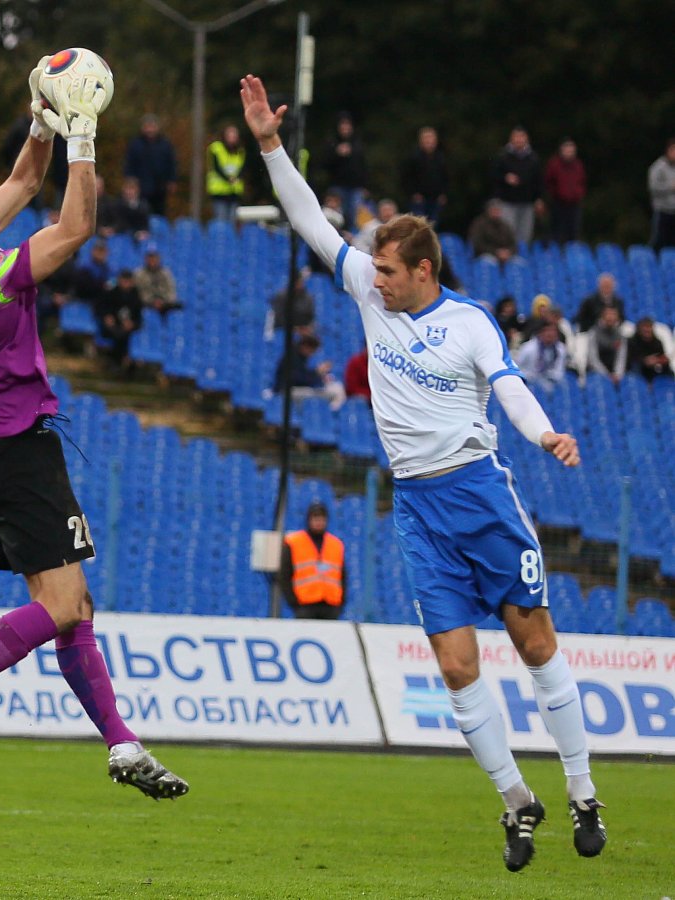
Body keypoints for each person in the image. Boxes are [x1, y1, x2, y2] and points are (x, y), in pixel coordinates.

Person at [241, 73, 606, 872]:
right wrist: (269, 145)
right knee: (453, 664)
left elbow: (507, 385)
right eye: (372, 268)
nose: (373, 279)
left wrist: (544, 435)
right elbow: (308, 221)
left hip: (478, 491)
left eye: (387, 270)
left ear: (423, 272)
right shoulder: (370, 297)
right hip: (416, 506)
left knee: (532, 640)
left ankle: (582, 789)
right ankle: (516, 801)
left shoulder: (468, 323)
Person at [0, 58, 187, 801]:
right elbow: (76, 225)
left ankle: (122, 745)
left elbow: (25, 180)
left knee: (74, 608)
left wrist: (39, 117)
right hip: (15, 454)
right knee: (61, 607)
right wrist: (81, 135)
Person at [278, 501, 346, 620]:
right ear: (308, 520)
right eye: (315, 518)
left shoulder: (336, 544)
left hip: (331, 606)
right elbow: (284, 575)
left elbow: (343, 576)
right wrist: (294, 602)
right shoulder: (294, 542)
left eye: (322, 519)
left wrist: (340, 603)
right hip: (305, 605)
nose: (319, 522)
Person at [490, 127, 544, 244]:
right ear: (511, 139)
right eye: (516, 137)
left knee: (525, 235)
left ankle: (522, 255)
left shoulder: (533, 158)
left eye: (522, 137)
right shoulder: (503, 156)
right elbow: (494, 176)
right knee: (508, 234)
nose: (519, 140)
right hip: (507, 202)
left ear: (527, 139)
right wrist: (505, 178)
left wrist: (538, 198)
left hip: (527, 203)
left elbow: (538, 180)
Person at [272, 332, 346, 411]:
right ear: (305, 346)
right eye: (312, 351)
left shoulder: (299, 356)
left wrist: (320, 377)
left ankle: (332, 413)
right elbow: (299, 378)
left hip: (294, 389)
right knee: (331, 392)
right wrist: (317, 372)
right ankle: (331, 412)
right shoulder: (292, 356)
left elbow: (304, 376)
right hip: (286, 391)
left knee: (337, 388)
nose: (311, 354)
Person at [124, 113, 177, 217]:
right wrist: (130, 181)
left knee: (159, 213)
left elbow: (171, 163)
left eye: (152, 126)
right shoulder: (135, 144)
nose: (150, 130)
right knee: (141, 213)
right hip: (141, 187)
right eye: (147, 126)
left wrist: (172, 180)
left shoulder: (165, 144)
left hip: (160, 187)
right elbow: (129, 163)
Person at [322, 112, 368, 231]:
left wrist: (364, 186)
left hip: (355, 187)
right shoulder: (331, 143)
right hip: (337, 186)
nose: (345, 128)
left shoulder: (358, 143)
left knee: (354, 216)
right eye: (342, 125)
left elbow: (363, 165)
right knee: (336, 216)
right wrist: (337, 154)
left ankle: (352, 238)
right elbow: (325, 164)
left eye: (347, 125)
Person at [95, 268, 143, 372]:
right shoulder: (111, 292)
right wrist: (106, 316)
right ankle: (118, 361)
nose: (125, 283)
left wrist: (132, 323)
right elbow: (100, 308)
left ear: (132, 282)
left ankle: (120, 362)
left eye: (128, 281)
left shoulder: (136, 297)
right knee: (117, 334)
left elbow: (139, 319)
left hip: (128, 329)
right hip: (112, 326)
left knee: (125, 335)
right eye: (123, 280)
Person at [402, 126, 448, 225]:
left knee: (433, 224)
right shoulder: (414, 157)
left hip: (435, 198)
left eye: (431, 138)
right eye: (426, 138)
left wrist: (443, 193)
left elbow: (445, 177)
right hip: (419, 199)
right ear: (421, 141)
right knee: (419, 224)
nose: (429, 141)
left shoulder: (440, 158)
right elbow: (406, 177)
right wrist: (414, 193)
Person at [544, 139, 586, 244]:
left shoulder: (578, 165)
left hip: (574, 204)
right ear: (561, 151)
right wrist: (555, 195)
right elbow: (548, 182)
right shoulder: (554, 164)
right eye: (567, 150)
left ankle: (571, 251)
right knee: (556, 231)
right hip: (558, 203)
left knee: (574, 231)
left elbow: (582, 182)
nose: (569, 152)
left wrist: (578, 194)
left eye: (571, 150)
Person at [206, 124, 246, 223]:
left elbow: (242, 168)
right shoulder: (216, 148)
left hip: (234, 192)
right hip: (219, 192)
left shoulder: (240, 151)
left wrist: (237, 178)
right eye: (230, 135)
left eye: (234, 136)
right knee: (221, 219)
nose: (232, 138)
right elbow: (216, 167)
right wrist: (228, 179)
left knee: (232, 220)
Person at [516, 321, 568, 391]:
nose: (550, 334)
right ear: (540, 333)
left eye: (553, 331)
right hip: (528, 384)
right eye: (547, 331)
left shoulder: (560, 349)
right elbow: (517, 368)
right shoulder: (528, 348)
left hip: (551, 384)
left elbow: (559, 371)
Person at [134, 242, 181, 315]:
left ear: (158, 259)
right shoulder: (139, 274)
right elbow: (137, 292)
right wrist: (152, 301)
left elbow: (171, 290)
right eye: (150, 258)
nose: (152, 260)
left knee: (179, 307)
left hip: (165, 303)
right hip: (146, 303)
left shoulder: (166, 273)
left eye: (154, 257)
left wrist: (163, 301)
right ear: (145, 259)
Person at [468, 199, 519, 264]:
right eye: (494, 209)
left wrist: (508, 252)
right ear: (488, 210)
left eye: (498, 210)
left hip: (505, 256)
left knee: (518, 262)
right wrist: (496, 252)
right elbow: (478, 244)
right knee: (489, 261)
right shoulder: (479, 224)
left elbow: (513, 244)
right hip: (485, 255)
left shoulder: (505, 225)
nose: (496, 212)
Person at [587, 306, 627, 384]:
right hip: (596, 373)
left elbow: (621, 357)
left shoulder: (620, 335)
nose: (611, 317)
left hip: (615, 374)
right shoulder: (593, 333)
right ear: (602, 316)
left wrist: (617, 374)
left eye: (613, 314)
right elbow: (593, 358)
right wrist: (606, 375)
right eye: (608, 314)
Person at [647, 137, 675, 250]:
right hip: (662, 211)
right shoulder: (658, 167)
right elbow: (653, 188)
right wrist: (671, 187)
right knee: (658, 241)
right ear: (668, 150)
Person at [627, 316, 672, 382]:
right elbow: (630, 359)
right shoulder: (632, 342)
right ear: (639, 328)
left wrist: (660, 360)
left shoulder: (657, 342)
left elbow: (661, 356)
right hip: (638, 370)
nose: (647, 329)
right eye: (645, 327)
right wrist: (644, 361)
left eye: (649, 326)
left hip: (654, 369)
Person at [111, 176, 151, 242]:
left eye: (131, 188)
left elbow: (145, 224)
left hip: (141, 237)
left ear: (137, 190)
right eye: (126, 188)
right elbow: (120, 225)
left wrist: (143, 233)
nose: (128, 192)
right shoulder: (117, 205)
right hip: (122, 237)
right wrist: (134, 234)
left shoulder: (144, 205)